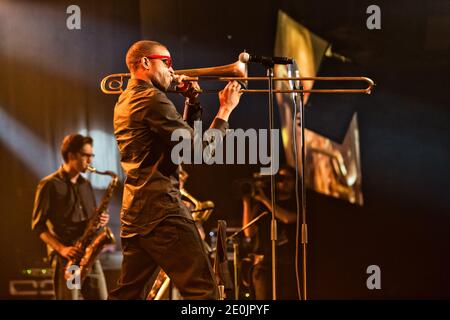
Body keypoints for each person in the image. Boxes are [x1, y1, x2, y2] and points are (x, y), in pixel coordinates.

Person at [109, 40, 242, 300]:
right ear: (145, 63)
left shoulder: (126, 99)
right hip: (163, 212)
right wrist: (225, 110)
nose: (173, 69)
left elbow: (179, 146)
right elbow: (198, 152)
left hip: (136, 214)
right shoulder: (152, 98)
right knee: (204, 292)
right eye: (167, 62)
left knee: (128, 295)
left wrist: (191, 102)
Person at [31, 133, 110, 300]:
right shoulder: (49, 184)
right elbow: (38, 226)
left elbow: (90, 218)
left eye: (92, 155)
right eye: (86, 155)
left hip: (89, 254)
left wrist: (100, 220)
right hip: (69, 258)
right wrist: (61, 249)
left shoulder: (86, 184)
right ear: (71, 155)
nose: (90, 160)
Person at [241, 165, 299, 300]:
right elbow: (248, 232)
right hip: (263, 266)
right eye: (280, 178)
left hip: (286, 265)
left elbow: (287, 218)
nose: (282, 182)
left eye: (287, 178)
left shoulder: (296, 203)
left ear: (295, 182)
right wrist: (246, 201)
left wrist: (265, 200)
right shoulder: (262, 206)